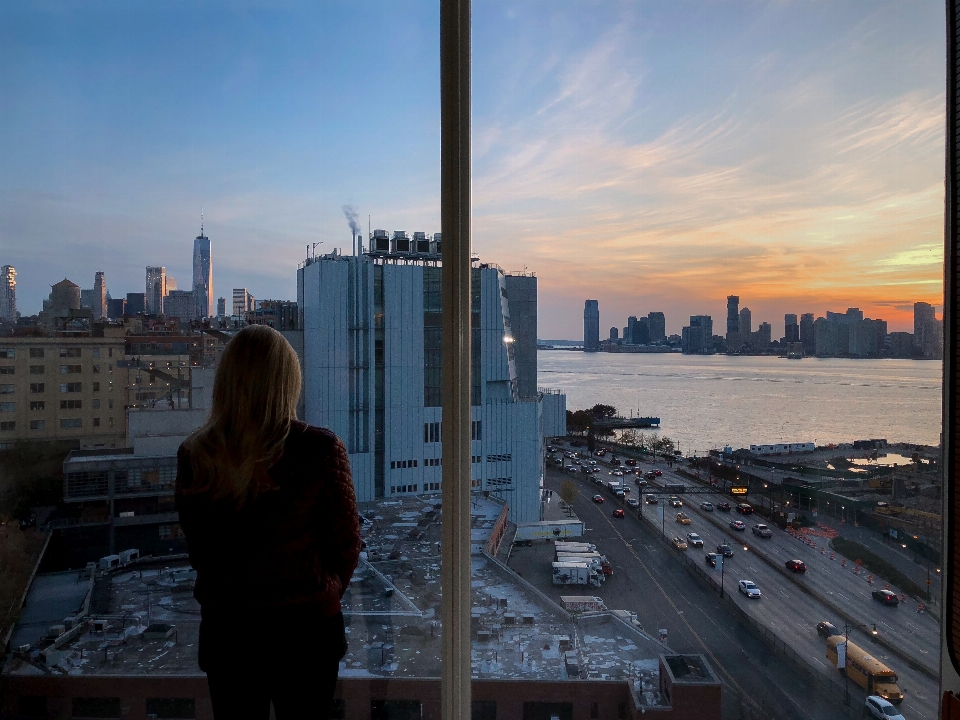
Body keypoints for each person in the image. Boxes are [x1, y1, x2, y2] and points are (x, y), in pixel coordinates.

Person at [175, 325, 360, 719]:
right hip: (306, 632)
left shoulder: (196, 454)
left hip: (229, 631)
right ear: (288, 382)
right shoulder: (319, 450)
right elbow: (345, 545)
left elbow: (199, 549)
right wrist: (322, 590)